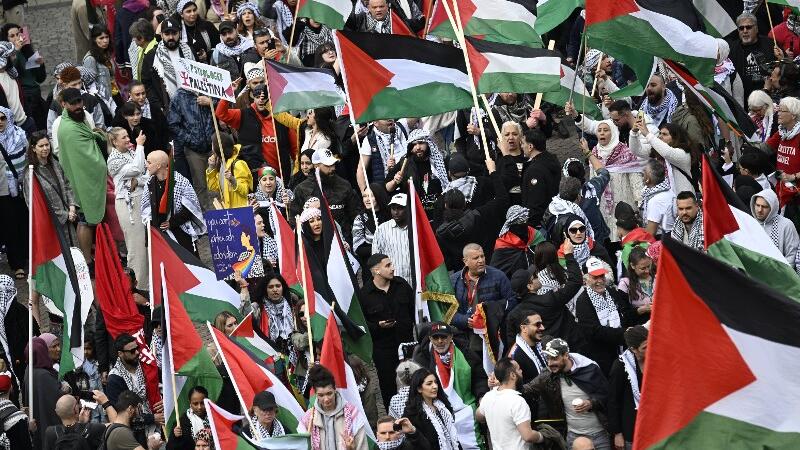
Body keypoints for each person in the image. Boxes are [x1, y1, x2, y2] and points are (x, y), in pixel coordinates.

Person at [566, 101, 645, 242]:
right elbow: (593, 177)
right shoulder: (594, 152)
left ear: (613, 132)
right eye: (600, 130)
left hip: (623, 201)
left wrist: (639, 201)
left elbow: (634, 177)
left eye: (606, 130)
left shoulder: (624, 151)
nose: (602, 133)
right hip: (603, 204)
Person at [521, 338, 610, 449]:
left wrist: (591, 403)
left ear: (566, 355)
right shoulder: (548, 374)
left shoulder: (589, 369)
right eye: (548, 358)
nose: (550, 363)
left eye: (554, 358)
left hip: (599, 435)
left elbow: (607, 395)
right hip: (573, 436)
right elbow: (527, 389)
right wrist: (502, 384)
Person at [411, 322, 487, 450]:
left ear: (451, 337)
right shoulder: (421, 358)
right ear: (430, 338)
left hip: (467, 410)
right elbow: (417, 388)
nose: (440, 341)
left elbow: (479, 378)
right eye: (436, 338)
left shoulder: (466, 353)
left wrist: (482, 397)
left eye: (443, 337)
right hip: (438, 411)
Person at [215, 80, 303, 179]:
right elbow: (221, 114)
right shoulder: (243, 115)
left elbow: (295, 151)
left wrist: (297, 174)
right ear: (253, 98)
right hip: (253, 178)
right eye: (257, 97)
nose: (261, 100)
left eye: (264, 97)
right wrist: (229, 92)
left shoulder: (284, 119)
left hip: (281, 178)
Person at [359, 253, 415, 408]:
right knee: (388, 386)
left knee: (413, 384)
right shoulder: (365, 295)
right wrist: (378, 326)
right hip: (384, 351)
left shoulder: (402, 285)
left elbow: (413, 310)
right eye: (388, 265)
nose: (392, 268)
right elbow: (362, 325)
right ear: (376, 270)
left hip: (407, 345)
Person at [436, 158, 507, 269]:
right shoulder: (479, 216)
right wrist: (493, 172)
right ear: (464, 204)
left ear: (445, 205)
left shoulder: (440, 232)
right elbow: (502, 199)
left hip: (460, 275)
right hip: (485, 267)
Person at [107, 126, 149, 291]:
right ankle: (138, 287)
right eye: (123, 137)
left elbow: (147, 174)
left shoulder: (132, 153)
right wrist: (140, 146)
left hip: (141, 200)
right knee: (136, 246)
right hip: (127, 205)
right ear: (114, 142)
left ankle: (148, 283)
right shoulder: (113, 160)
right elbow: (138, 169)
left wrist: (138, 181)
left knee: (146, 245)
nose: (127, 139)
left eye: (127, 136)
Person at [575, 258, 633, 375]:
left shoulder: (611, 292)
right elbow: (594, 331)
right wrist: (624, 333)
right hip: (601, 356)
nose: (600, 281)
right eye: (595, 277)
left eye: (602, 276)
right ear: (586, 279)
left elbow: (624, 313)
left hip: (622, 350)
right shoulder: (583, 301)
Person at [142, 150, 206, 255]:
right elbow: (146, 210)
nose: (146, 165)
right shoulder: (149, 183)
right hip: (161, 237)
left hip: (181, 233)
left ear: (158, 166)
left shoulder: (181, 181)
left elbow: (191, 208)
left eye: (149, 162)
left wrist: (171, 223)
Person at [291, 149, 361, 242]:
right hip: (316, 244)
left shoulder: (344, 185)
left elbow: (356, 215)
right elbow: (295, 220)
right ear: (316, 166)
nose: (332, 168)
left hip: (343, 241)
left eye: (333, 164)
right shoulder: (302, 189)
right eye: (328, 165)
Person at [106, 334, 164, 443]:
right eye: (132, 351)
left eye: (137, 348)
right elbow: (121, 415)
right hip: (132, 435)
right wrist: (152, 418)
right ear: (120, 354)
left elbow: (161, 385)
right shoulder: (114, 379)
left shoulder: (146, 366)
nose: (137, 352)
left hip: (156, 428)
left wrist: (163, 400)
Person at [476, 358, 545, 449]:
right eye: (519, 369)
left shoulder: (488, 397)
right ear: (513, 375)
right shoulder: (517, 402)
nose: (521, 371)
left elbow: (478, 416)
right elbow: (528, 436)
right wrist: (542, 436)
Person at [298, 364, 369, 450]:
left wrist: (351, 449)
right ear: (315, 394)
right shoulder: (308, 419)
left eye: (329, 393)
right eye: (321, 395)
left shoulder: (353, 414)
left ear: (335, 389)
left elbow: (363, 447)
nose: (326, 399)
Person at [450, 243, 515, 332]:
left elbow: (512, 302)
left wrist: (491, 316)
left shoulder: (499, 276)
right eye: (476, 258)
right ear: (465, 261)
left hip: (492, 332)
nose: (481, 260)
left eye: (482, 256)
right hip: (463, 333)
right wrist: (464, 320)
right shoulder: (453, 280)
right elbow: (447, 310)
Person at [384, 128, 448, 213]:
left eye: (421, 143)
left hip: (437, 211)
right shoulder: (404, 163)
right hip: (414, 212)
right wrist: (395, 181)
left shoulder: (438, 161)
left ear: (428, 143)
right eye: (414, 145)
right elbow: (387, 188)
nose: (418, 147)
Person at [141, 18, 194, 112]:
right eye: (167, 34)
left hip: (191, 104)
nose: (171, 37)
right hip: (167, 108)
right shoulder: (152, 56)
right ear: (161, 35)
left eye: (174, 33)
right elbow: (147, 84)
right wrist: (157, 105)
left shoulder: (189, 51)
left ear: (179, 33)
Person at [606, 326, 647, 450]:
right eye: (645, 347)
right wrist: (617, 433)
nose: (651, 349)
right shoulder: (620, 366)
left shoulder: (656, 359)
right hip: (632, 427)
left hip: (655, 424)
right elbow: (613, 401)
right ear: (634, 349)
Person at [630, 120, 696, 195]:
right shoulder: (658, 151)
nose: (660, 136)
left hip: (684, 198)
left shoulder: (683, 153)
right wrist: (633, 132)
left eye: (665, 134)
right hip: (665, 198)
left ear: (675, 138)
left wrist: (647, 134)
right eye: (660, 133)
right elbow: (637, 150)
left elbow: (667, 153)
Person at [401, 368, 460, 450]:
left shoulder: (443, 407)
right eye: (429, 384)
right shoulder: (412, 413)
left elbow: (454, 437)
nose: (435, 386)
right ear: (419, 389)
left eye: (436, 382)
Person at [562, 153, 611, 246]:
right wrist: (588, 153)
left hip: (578, 245)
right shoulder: (594, 187)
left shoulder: (562, 198)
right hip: (599, 241)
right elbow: (604, 173)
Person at [23, 337, 61, 450]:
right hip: (49, 426)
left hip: (38, 427)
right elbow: (58, 402)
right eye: (53, 346)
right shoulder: (44, 375)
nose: (58, 349)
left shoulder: (29, 370)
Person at [729, 12, 775, 100]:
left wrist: (782, 57)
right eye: (741, 28)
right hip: (742, 100)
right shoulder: (732, 49)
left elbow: (783, 68)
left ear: (756, 28)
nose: (745, 31)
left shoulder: (770, 44)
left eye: (749, 27)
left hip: (768, 98)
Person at [521, 128, 561, 226]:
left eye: (522, 143)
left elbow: (536, 202)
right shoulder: (551, 159)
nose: (521, 146)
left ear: (530, 146)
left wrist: (530, 226)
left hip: (540, 223)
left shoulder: (535, 171)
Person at [45, 392, 113, 450]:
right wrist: (106, 403)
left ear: (56, 412)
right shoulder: (95, 429)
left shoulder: (50, 432)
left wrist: (81, 423)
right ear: (75, 409)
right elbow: (116, 426)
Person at [491, 206, 544, 278]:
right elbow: (495, 274)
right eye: (519, 223)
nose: (524, 225)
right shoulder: (503, 245)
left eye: (525, 221)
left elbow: (546, 255)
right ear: (511, 224)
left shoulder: (535, 235)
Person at [357, 119, 409, 191]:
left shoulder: (402, 126)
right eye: (385, 117)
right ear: (375, 122)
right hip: (385, 188)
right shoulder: (370, 139)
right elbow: (361, 169)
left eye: (390, 114)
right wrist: (365, 194)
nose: (389, 119)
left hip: (408, 182)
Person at [206, 132, 253, 208]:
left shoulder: (238, 164)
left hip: (241, 210)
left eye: (213, 144)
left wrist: (232, 180)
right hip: (229, 210)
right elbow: (213, 187)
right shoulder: (221, 164)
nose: (212, 148)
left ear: (219, 147)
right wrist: (211, 168)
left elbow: (245, 191)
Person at [751, 188, 800, 262]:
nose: (759, 210)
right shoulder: (750, 223)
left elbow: (792, 255)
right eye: (757, 205)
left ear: (772, 208)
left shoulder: (786, 225)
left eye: (764, 207)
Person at [372, 193, 411, 281]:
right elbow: (375, 258)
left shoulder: (417, 227)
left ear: (408, 209)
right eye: (393, 208)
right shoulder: (382, 229)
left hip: (416, 282)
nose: (396, 212)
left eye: (400, 208)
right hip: (393, 282)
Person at [506, 310, 548, 385]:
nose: (542, 328)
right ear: (524, 328)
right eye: (537, 324)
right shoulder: (515, 356)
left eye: (541, 324)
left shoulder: (544, 345)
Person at [616, 247, 653, 325]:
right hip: (639, 326)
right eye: (642, 268)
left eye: (648, 266)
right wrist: (640, 310)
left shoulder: (657, 278)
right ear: (633, 266)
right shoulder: (625, 284)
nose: (647, 271)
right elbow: (624, 315)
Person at [766, 97, 800, 180]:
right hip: (782, 187)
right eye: (778, 110)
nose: (778, 113)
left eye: (782, 111)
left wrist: (793, 177)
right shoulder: (781, 132)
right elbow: (765, 148)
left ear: (793, 115)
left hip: (796, 189)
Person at [639, 159, 675, 237]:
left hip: (661, 241)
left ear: (648, 179)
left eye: (644, 172)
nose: (642, 174)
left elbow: (650, 233)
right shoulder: (669, 191)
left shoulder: (655, 201)